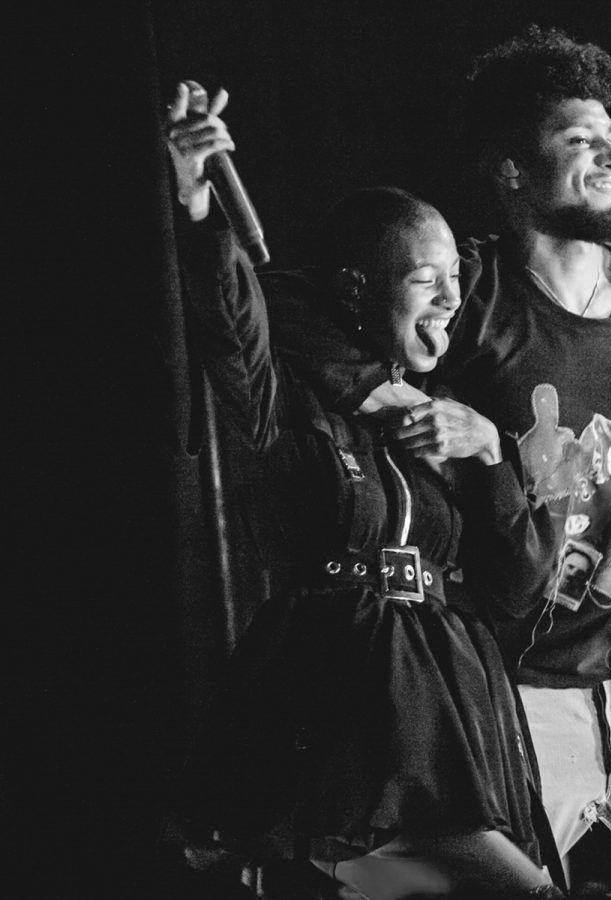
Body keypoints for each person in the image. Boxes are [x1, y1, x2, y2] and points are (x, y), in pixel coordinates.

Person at [273, 25, 611, 900]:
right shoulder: (468, 292)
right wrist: (391, 397)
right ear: (511, 171)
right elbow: (286, 306)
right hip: (523, 681)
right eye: (578, 141)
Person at [164, 81, 565, 900]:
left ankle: (346, 872)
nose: (451, 298)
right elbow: (245, 311)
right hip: (351, 693)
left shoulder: (449, 423)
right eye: (425, 278)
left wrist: (491, 456)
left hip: (451, 691)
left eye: (456, 277)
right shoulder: (291, 397)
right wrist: (198, 203)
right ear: (357, 289)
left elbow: (522, 588)